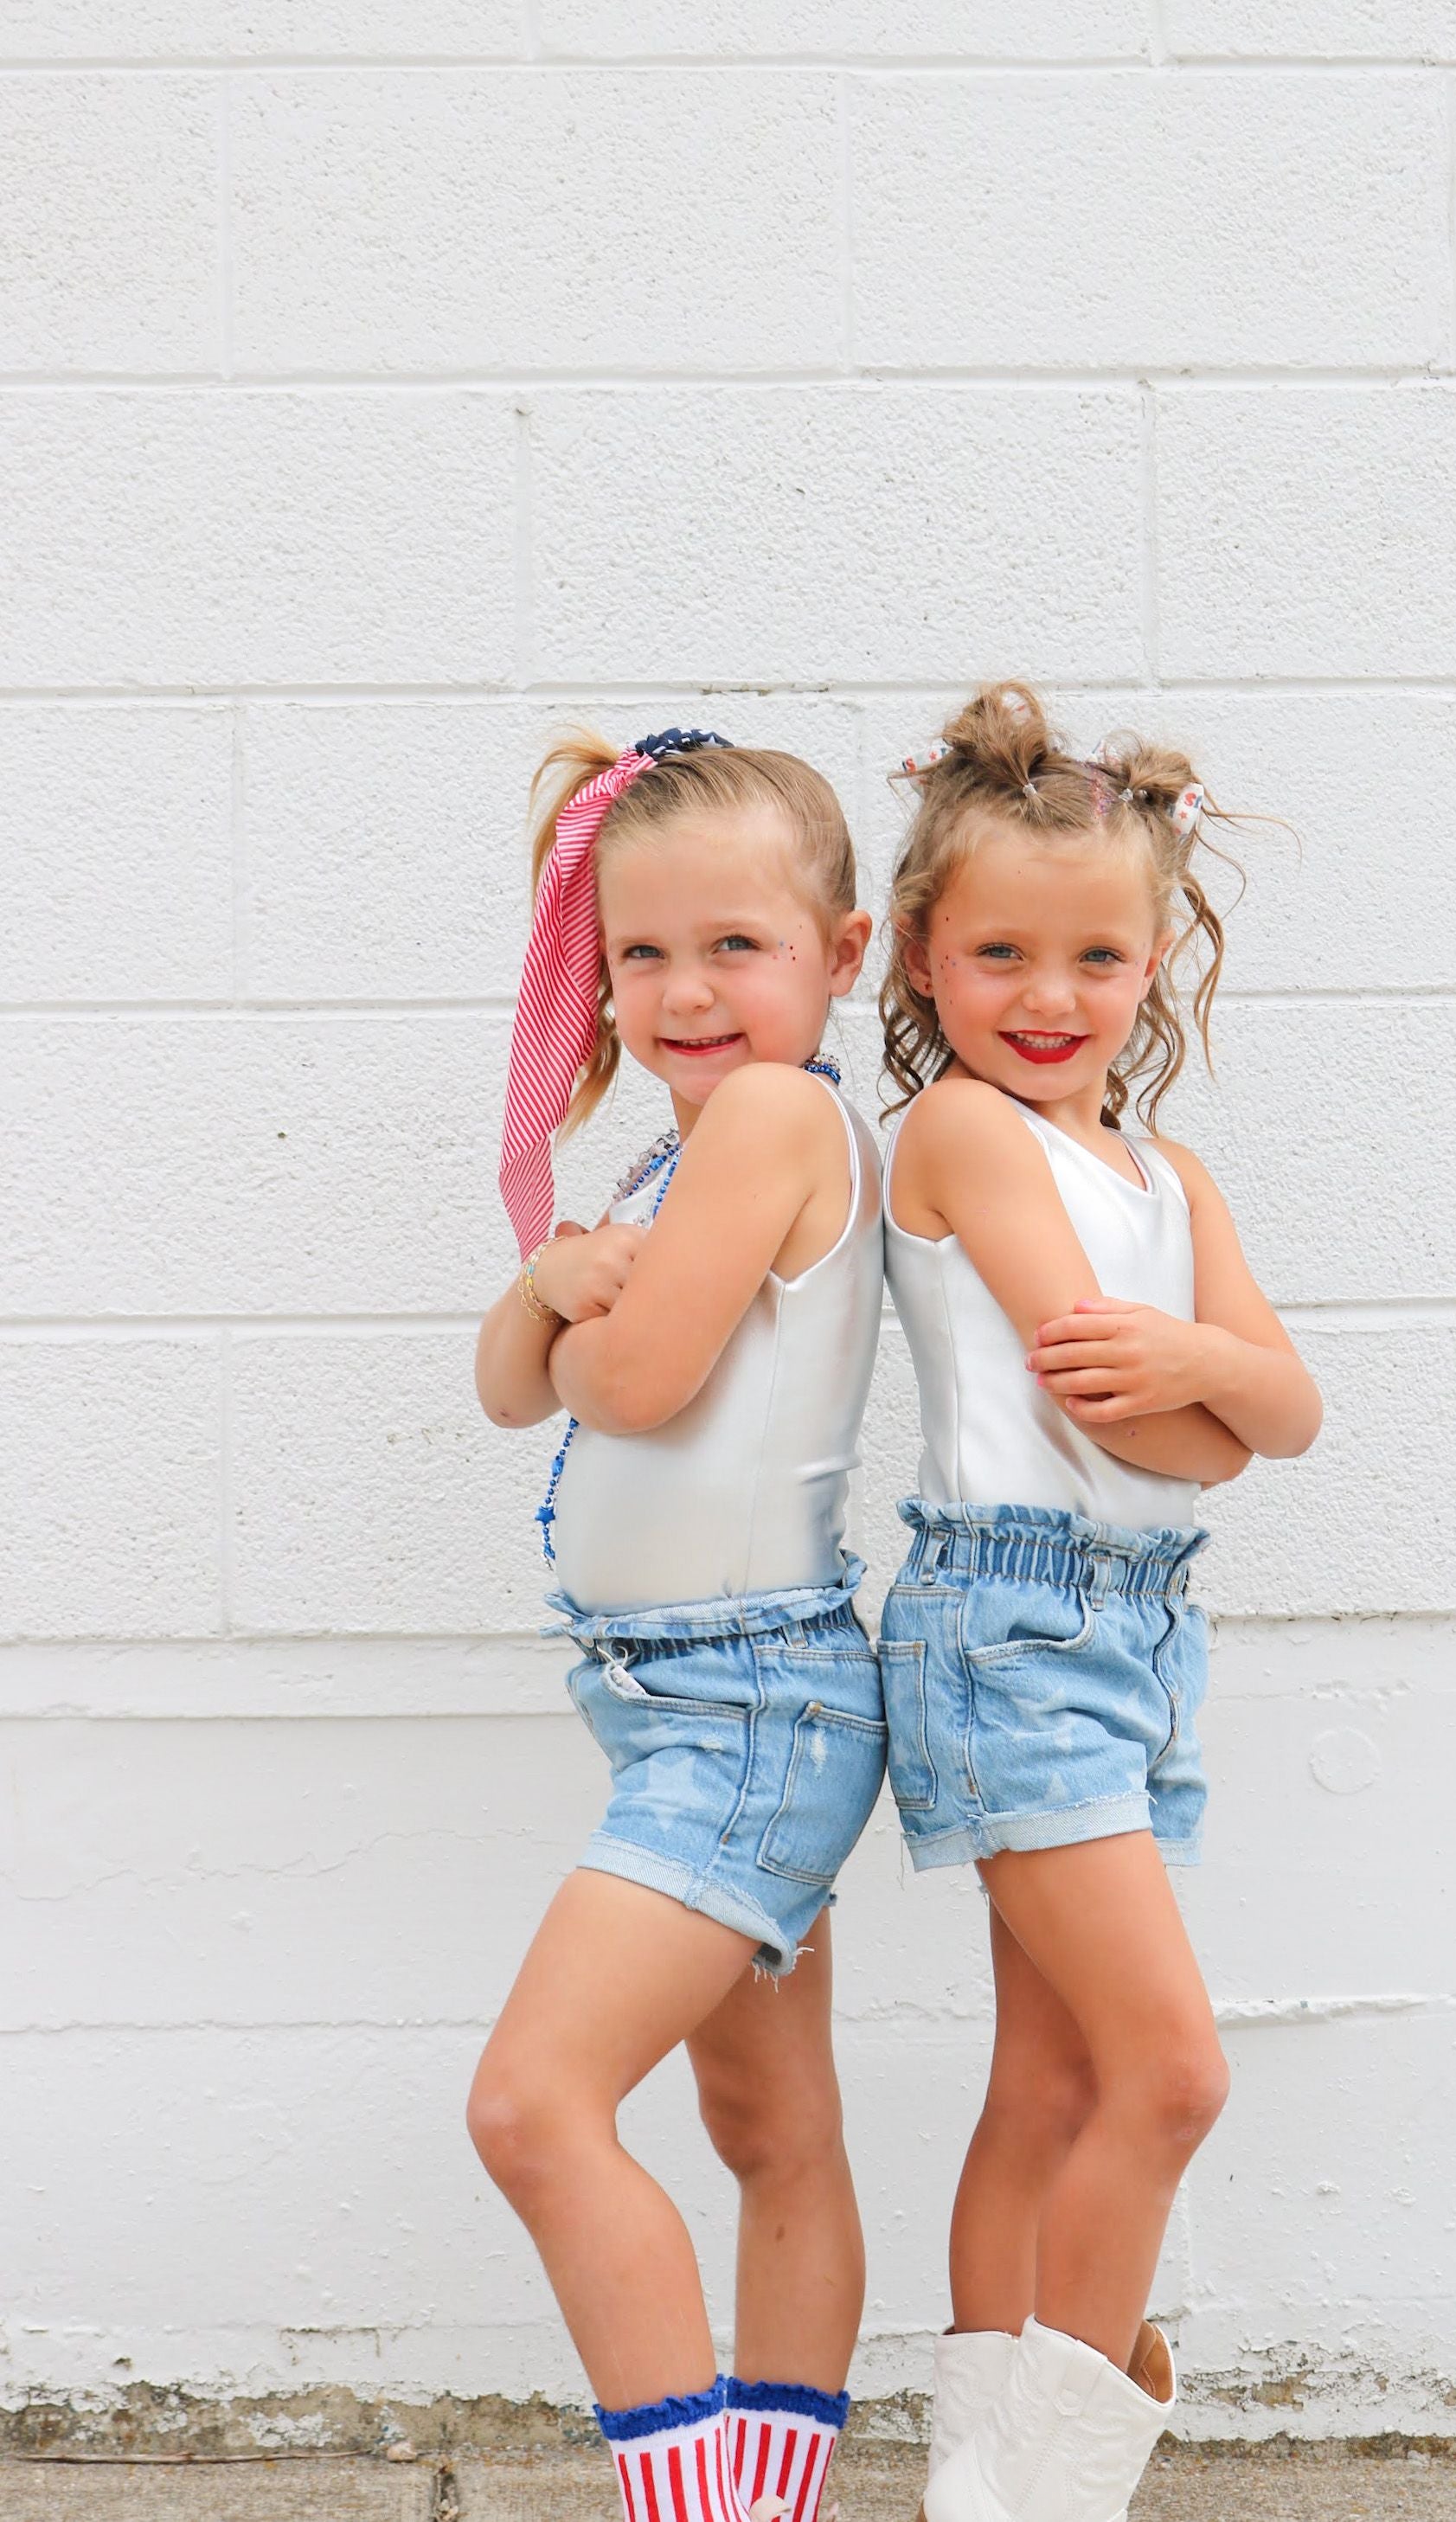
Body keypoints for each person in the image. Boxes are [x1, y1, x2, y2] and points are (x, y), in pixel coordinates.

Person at [876, 687, 1322, 2521]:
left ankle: (983, 2483)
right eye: (999, 953)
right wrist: (1203, 1390)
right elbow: (1123, 1403)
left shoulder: (1170, 1175)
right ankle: (1048, 2497)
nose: (1048, 996)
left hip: (1141, 1637)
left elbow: (1277, 1417)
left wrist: (1203, 1367)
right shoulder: (970, 1135)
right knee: (1172, 2072)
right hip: (1013, 1628)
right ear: (922, 954)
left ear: (1157, 965)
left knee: (1056, 2083)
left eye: (1096, 957)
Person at [469, 726, 886, 2522]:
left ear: (844, 954)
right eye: (644, 953)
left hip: (751, 1707)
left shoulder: (784, 1119)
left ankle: (692, 2513)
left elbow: (621, 1386)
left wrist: (561, 1315)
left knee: (532, 2108)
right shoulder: (670, 1157)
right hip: (689, 1704)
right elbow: (508, 1387)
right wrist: (547, 1285)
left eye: (739, 945)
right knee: (769, 2133)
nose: (686, 990)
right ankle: (770, 2500)